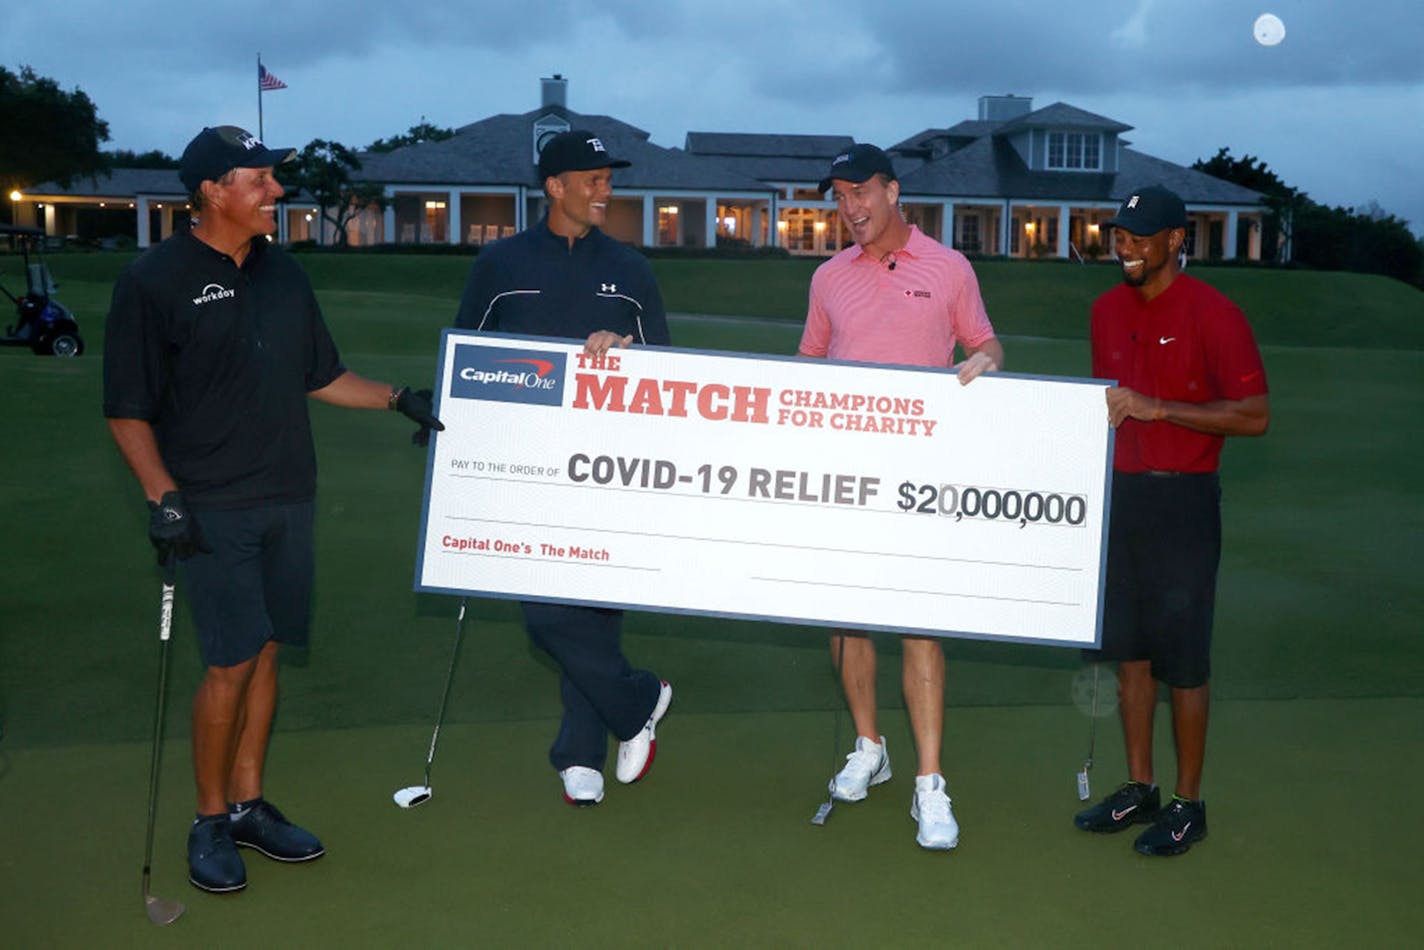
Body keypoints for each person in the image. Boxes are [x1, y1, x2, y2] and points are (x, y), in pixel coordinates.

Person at [103, 125, 443, 893]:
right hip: (211, 506)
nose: (276, 192)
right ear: (212, 190)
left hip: (290, 494)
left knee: (265, 651)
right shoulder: (153, 280)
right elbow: (127, 410)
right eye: (259, 180)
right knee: (227, 662)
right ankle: (209, 817)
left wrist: (399, 400)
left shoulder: (285, 274)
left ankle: (250, 806)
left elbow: (319, 375)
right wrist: (164, 500)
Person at [454, 129, 671, 807]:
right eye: (594, 179)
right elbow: (467, 357)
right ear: (555, 187)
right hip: (526, 468)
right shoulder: (501, 262)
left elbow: (670, 368)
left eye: (609, 178)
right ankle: (638, 700)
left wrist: (630, 350)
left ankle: (580, 753)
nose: (607, 189)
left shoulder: (631, 268)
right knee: (547, 614)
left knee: (596, 613)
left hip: (612, 468)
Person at [799, 144, 1004, 850]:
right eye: (839, 196)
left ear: (891, 191)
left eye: (861, 192)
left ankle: (930, 786)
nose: (849, 207)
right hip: (850, 477)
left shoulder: (949, 268)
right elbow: (810, 366)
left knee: (919, 624)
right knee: (850, 624)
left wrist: (984, 361)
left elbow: (985, 344)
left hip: (923, 480)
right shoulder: (828, 278)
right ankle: (868, 745)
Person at [1073, 184, 1268, 856]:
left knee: (1183, 663)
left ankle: (1189, 804)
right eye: (1119, 236)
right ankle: (1140, 788)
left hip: (1183, 502)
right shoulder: (1103, 311)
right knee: (1130, 653)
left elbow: (1254, 415)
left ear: (1176, 240)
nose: (1124, 247)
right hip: (1120, 499)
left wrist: (1159, 408)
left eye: (1139, 236)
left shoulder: (1215, 314)